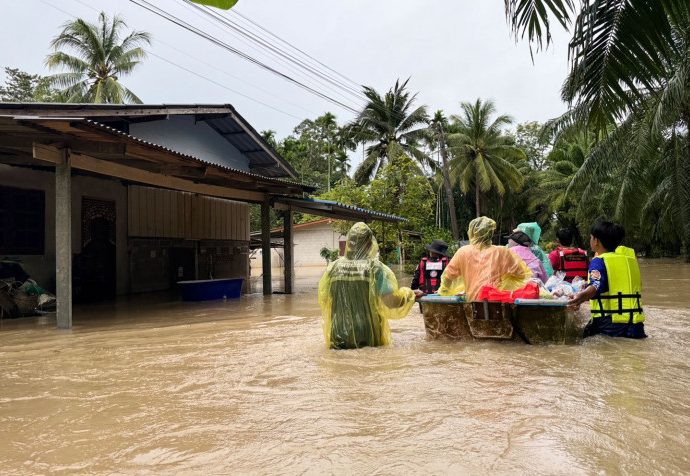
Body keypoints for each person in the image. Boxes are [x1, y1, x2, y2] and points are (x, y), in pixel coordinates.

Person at [318, 222, 416, 349]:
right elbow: (391, 302)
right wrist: (409, 294)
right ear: (370, 244)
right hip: (367, 335)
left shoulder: (332, 268)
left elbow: (325, 299)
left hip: (338, 335)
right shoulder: (375, 269)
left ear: (349, 243)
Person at [569, 220, 646, 339]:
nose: (590, 240)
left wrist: (580, 298)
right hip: (636, 325)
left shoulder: (599, 261)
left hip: (608, 325)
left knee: (581, 340)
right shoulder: (630, 261)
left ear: (596, 241)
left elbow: (596, 285)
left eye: (591, 237)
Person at [438, 216, 532, 301]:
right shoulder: (502, 252)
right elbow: (522, 276)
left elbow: (447, 277)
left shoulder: (462, 252)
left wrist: (443, 292)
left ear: (472, 232)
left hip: (473, 305)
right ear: (491, 233)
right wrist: (504, 281)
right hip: (497, 303)